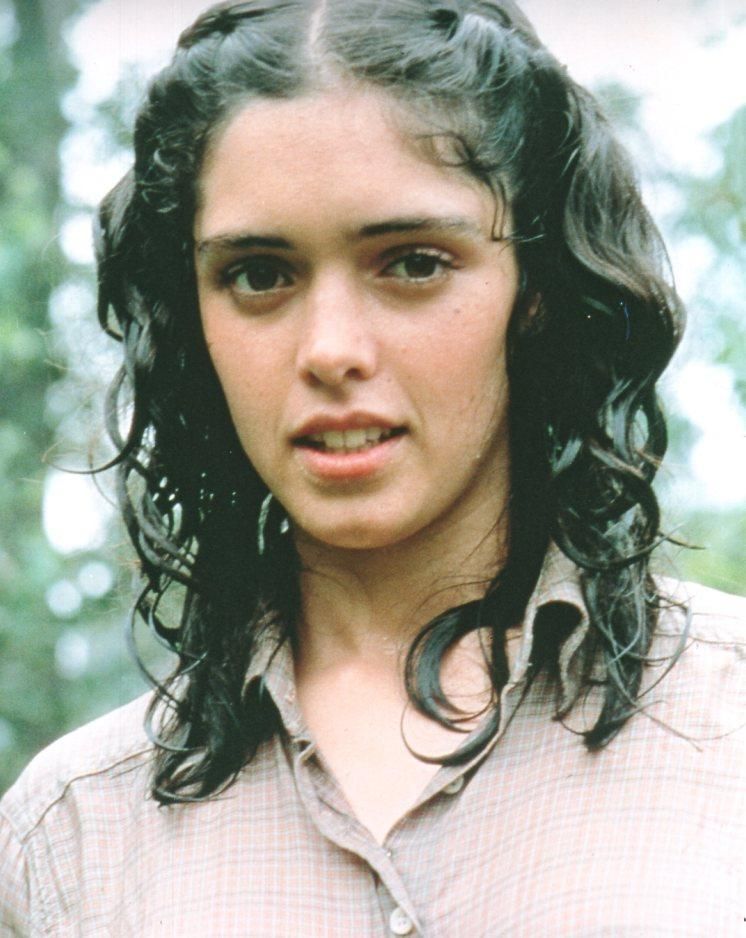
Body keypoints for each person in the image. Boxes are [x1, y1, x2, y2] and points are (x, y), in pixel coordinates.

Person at [1, 1, 744, 934]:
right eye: (260, 274)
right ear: (191, 319)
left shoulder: (728, 725)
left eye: (414, 263)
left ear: (538, 291)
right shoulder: (72, 839)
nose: (331, 350)